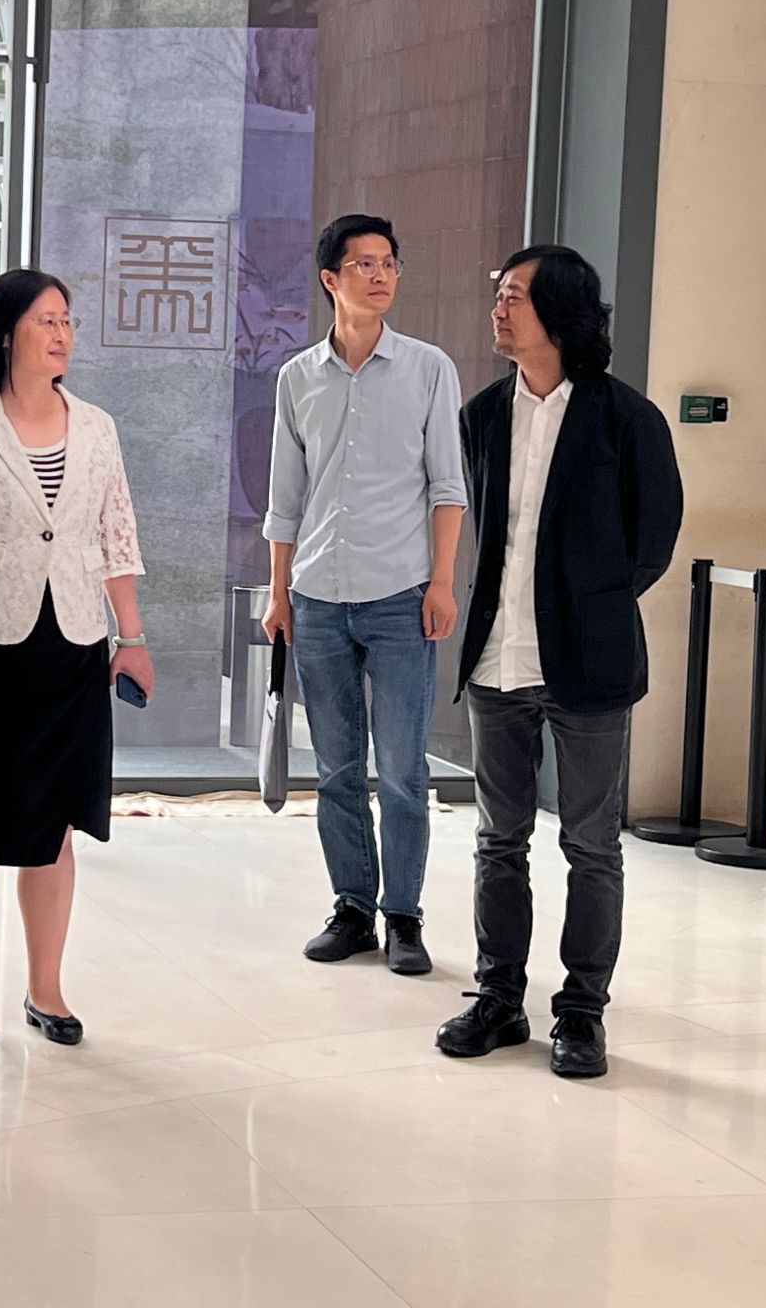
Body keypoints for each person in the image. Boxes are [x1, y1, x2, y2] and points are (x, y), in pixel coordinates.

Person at [435, 244, 683, 1080]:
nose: (499, 310)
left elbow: (653, 542)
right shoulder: (481, 415)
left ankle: (581, 1012)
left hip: (588, 663)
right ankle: (498, 999)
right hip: (496, 660)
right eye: (499, 294)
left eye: (515, 296)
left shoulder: (627, 418)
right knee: (497, 840)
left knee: (591, 845)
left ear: (562, 312)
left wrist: (590, 606)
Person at [0, 270, 150, 1049]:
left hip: (73, 644)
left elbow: (117, 537)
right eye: (46, 320)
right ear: (6, 332)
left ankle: (46, 989)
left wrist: (132, 637)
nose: (61, 333)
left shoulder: (98, 428)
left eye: (67, 320)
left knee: (55, 827)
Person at [263, 214, 466, 974]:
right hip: (316, 596)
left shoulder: (428, 369)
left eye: (390, 263)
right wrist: (279, 593)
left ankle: (404, 917)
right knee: (338, 770)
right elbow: (285, 499)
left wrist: (441, 581)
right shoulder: (296, 378)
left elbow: (448, 486)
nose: (381, 276)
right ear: (331, 279)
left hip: (401, 595)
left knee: (404, 770)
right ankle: (352, 908)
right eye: (364, 264)